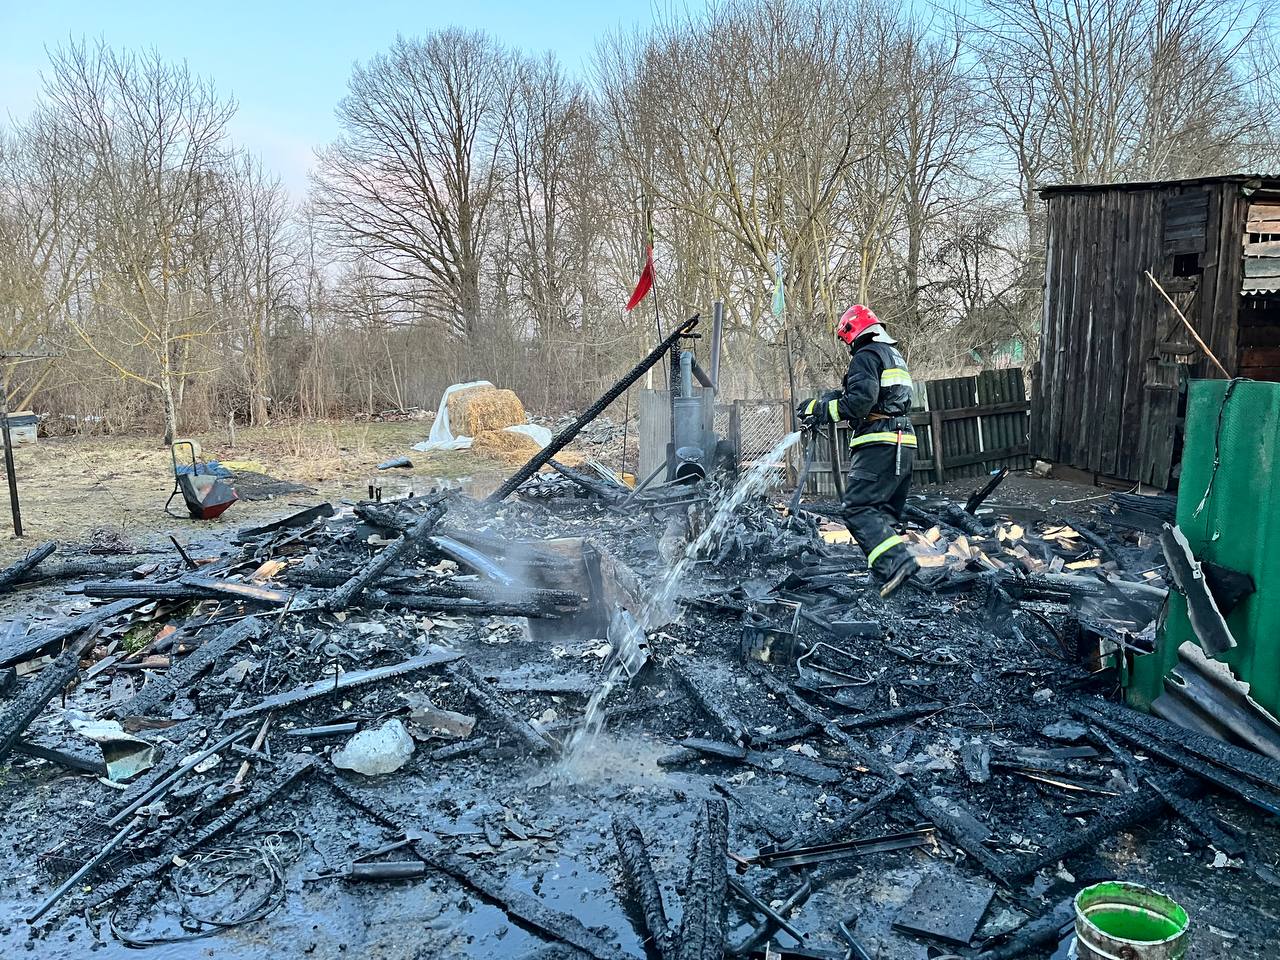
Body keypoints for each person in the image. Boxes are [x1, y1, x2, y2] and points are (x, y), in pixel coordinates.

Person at [798, 304, 919, 597]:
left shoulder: (865, 356)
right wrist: (836, 396)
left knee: (858, 508)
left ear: (853, 331)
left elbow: (860, 403)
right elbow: (877, 396)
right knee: (883, 513)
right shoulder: (892, 356)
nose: (846, 345)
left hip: (879, 441)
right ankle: (890, 580)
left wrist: (821, 409)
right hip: (904, 442)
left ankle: (899, 562)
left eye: (845, 338)